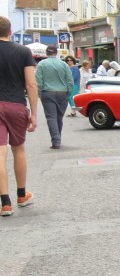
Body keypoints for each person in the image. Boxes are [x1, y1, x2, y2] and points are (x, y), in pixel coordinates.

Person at [0, 16, 38, 215]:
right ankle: (22, 194)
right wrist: (34, 114)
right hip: (16, 105)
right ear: (10, 31)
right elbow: (31, 84)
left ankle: (5, 203)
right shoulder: (23, 51)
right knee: (19, 150)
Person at [35, 45, 74, 149]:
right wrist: (68, 92)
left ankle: (56, 140)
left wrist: (40, 94)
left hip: (47, 92)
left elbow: (39, 81)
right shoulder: (63, 64)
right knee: (59, 117)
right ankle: (58, 138)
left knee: (51, 117)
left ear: (46, 53)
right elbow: (70, 80)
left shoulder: (41, 64)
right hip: (62, 93)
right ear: (56, 53)